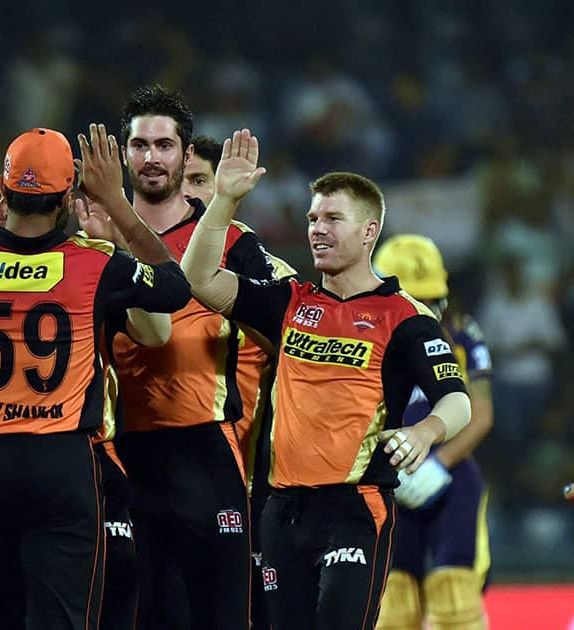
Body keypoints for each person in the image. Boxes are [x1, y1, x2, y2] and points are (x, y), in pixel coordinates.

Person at [0, 120, 191, 629]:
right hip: (62, 462)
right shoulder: (95, 265)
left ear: (3, 188)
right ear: (68, 197)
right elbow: (174, 288)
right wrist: (115, 200)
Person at [182, 129, 472, 629]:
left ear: (368, 231)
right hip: (282, 512)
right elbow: (198, 280)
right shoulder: (289, 300)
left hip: (355, 510)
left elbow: (457, 400)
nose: (317, 228)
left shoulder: (405, 318)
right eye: (313, 218)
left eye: (333, 218)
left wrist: (424, 432)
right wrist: (225, 200)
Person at [107, 85, 281, 630]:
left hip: (208, 450)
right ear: (123, 152)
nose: (152, 158)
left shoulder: (231, 241)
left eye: (164, 145)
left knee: (223, 616)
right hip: (123, 456)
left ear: (186, 154)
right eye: (140, 145)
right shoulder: (92, 240)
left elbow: (291, 318)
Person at [372, 234, 493, 630]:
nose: (425, 312)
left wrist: (438, 463)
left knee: (456, 602)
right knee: (392, 609)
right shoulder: (358, 334)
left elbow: (481, 413)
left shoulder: (461, 334)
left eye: (432, 300)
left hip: (450, 474)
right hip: (385, 478)